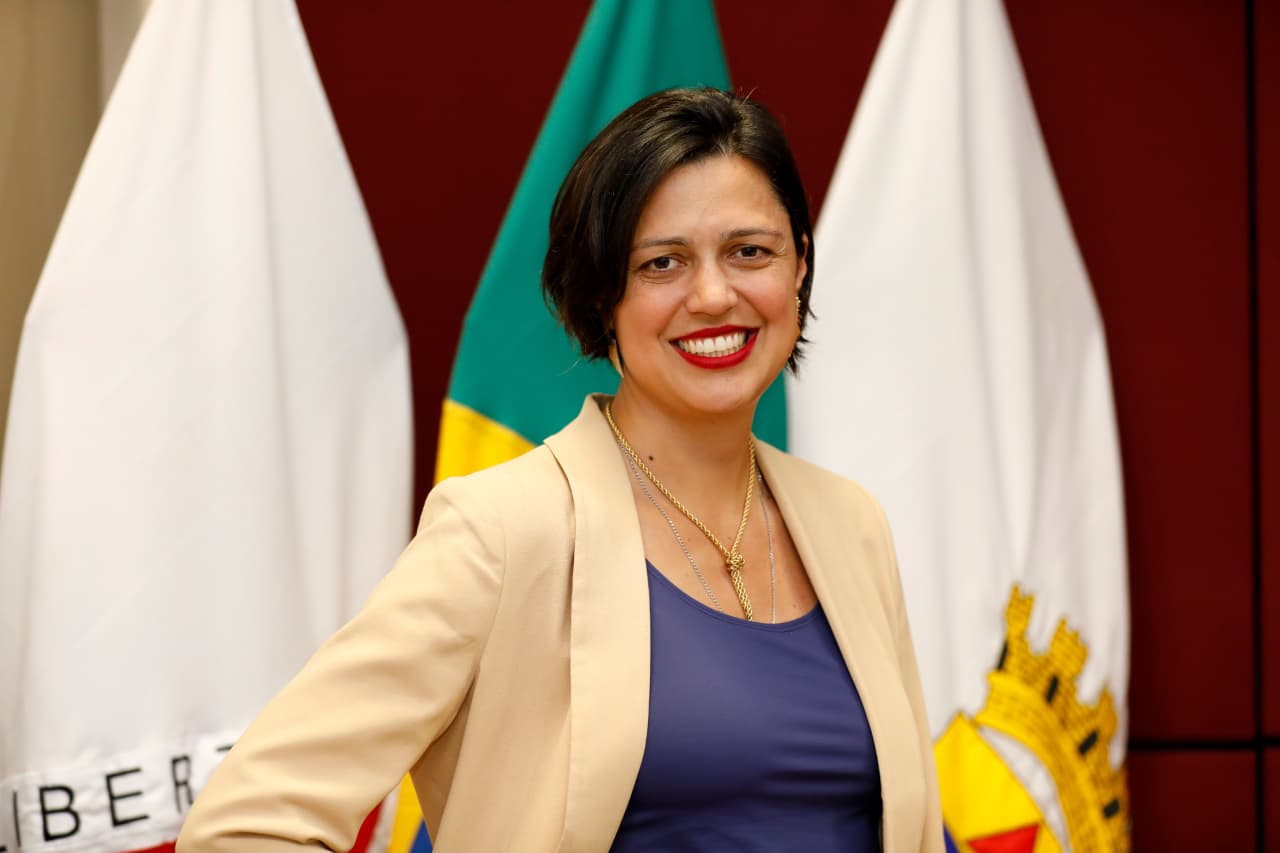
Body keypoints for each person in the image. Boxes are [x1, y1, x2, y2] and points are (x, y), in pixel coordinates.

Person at [177, 87, 943, 852]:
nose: (714, 294)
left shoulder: (852, 523)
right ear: (603, 295)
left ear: (800, 267)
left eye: (750, 251)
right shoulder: (503, 531)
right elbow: (247, 823)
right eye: (662, 262)